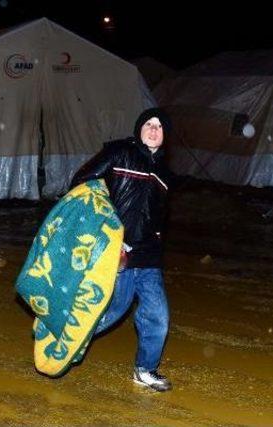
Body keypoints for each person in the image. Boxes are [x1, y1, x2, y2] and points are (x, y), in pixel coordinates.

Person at [70, 107, 175, 392]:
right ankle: (65, 336)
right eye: (149, 124)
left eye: (160, 127)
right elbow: (82, 182)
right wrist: (107, 231)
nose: (154, 130)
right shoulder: (119, 153)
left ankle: (145, 370)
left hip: (149, 255)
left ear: (165, 135)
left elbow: (159, 215)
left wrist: (156, 237)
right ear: (139, 128)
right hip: (119, 251)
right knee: (113, 310)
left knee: (159, 316)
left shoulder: (165, 173)